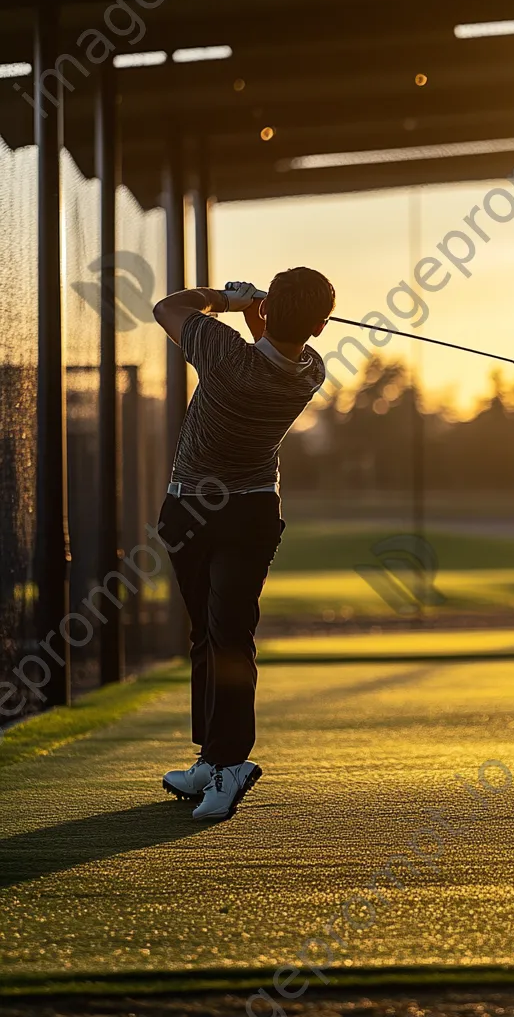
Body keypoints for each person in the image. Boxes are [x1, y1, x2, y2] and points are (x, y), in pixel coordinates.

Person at [152, 268, 332, 819]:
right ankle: (213, 757)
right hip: (252, 510)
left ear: (268, 309)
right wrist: (265, 321)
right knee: (217, 632)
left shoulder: (224, 352)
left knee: (221, 635)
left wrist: (225, 300)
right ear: (321, 327)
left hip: (191, 510)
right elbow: (277, 354)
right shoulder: (312, 371)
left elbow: (167, 307)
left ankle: (231, 766)